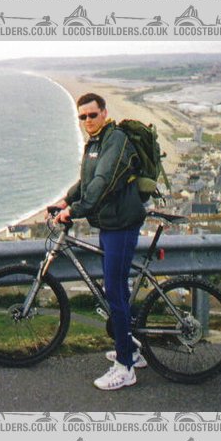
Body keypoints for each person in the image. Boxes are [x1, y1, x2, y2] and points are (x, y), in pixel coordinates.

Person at [51, 92, 147, 391]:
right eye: (82, 117)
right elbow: (87, 179)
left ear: (104, 113)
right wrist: (67, 198)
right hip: (110, 222)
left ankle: (125, 368)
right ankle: (129, 348)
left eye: (93, 115)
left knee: (115, 291)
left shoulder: (115, 140)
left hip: (121, 224)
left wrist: (74, 212)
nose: (88, 121)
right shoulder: (96, 142)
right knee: (115, 288)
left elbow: (102, 182)